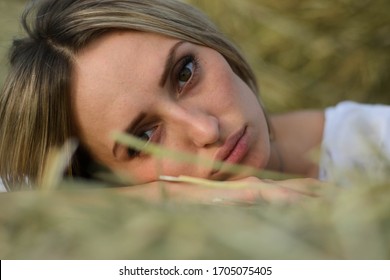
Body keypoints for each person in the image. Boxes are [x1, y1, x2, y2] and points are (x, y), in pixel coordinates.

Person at [0, 0, 389, 202]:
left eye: (185, 73)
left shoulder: (376, 145)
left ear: (210, 43)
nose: (205, 130)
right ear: (102, 180)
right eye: (145, 136)